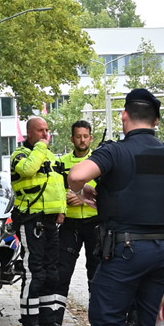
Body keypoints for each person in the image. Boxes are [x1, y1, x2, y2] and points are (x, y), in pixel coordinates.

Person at [66, 88, 164, 326]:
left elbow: (76, 175)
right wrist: (102, 195)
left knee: (106, 317)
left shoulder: (116, 151)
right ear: (157, 120)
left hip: (126, 251)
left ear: (124, 116)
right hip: (163, 250)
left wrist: (83, 192)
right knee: (152, 325)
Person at [9, 115, 70, 326]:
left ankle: (48, 321)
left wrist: (62, 210)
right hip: (30, 220)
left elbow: (58, 186)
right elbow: (28, 170)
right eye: (40, 131)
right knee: (34, 272)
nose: (46, 135)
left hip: (51, 222)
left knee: (51, 273)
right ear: (29, 133)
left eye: (47, 130)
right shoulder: (20, 155)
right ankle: (29, 323)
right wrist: (41, 148)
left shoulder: (51, 157)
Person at [60, 119, 100, 308]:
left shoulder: (100, 160)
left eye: (85, 136)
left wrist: (83, 193)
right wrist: (66, 196)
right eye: (78, 137)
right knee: (63, 270)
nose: (82, 140)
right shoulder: (62, 163)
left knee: (96, 271)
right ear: (72, 139)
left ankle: (97, 318)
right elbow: (56, 187)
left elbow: (106, 188)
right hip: (70, 223)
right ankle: (55, 319)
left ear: (91, 138)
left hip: (94, 222)